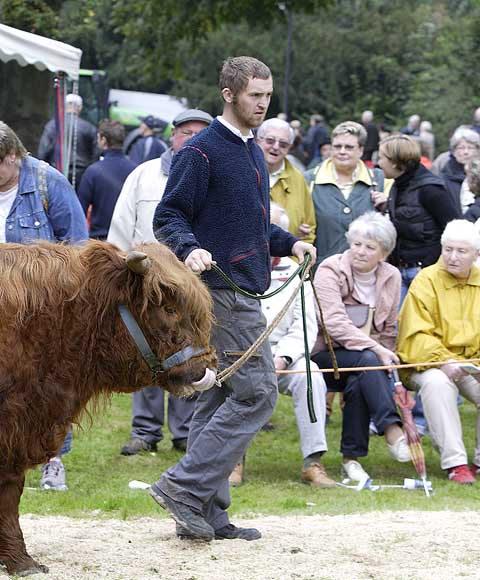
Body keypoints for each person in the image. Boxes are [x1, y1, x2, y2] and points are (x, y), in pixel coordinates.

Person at [150, 56, 316, 542]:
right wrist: (190, 248)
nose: (262, 104)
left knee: (217, 398)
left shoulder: (249, 150)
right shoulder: (201, 151)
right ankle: (183, 487)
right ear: (229, 93)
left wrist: (289, 244)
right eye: (254, 96)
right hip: (218, 294)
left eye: (267, 96)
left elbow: (252, 226)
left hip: (241, 289)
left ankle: (204, 514)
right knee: (260, 392)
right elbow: (169, 216)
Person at [0, 117, 87, 490]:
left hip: (38, 306)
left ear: (13, 155)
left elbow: (77, 246)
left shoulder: (48, 183)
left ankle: (53, 458)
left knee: (47, 383)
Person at [108, 108, 212, 456]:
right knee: (147, 352)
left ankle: (184, 431)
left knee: (188, 352)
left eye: (201, 133)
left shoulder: (212, 177)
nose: (192, 139)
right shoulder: (144, 175)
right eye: (186, 132)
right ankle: (145, 431)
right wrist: (120, 268)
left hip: (193, 284)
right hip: (147, 285)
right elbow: (123, 224)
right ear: (172, 135)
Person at [310, 212, 411, 485]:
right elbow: (333, 324)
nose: (361, 252)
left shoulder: (391, 276)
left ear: (384, 253)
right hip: (326, 355)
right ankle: (391, 428)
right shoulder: (330, 269)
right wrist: (378, 351)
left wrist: (385, 354)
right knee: (368, 359)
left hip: (367, 365)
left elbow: (389, 329)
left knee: (361, 377)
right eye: (356, 244)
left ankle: (350, 461)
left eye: (370, 247)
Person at [397, 220, 480, 484]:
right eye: (448, 249)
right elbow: (415, 333)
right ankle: (456, 463)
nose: (452, 257)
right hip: (428, 364)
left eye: (461, 251)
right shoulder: (426, 280)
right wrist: (444, 360)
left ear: (476, 255)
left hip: (472, 363)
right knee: (437, 384)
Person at [256, 206, 332, 487]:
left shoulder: (298, 273)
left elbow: (305, 326)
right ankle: (231, 463)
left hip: (287, 354)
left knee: (309, 374)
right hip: (245, 353)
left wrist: (283, 358)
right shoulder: (236, 268)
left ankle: (313, 462)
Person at [372, 134, 460, 300]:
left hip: (425, 271)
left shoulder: (431, 189)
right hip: (400, 269)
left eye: (382, 158)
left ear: (396, 161)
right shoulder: (398, 185)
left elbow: (454, 229)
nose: (379, 163)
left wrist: (427, 266)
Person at [305, 120, 388, 264]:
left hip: (365, 272)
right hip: (321, 270)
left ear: (361, 150)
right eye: (337, 146)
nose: (342, 151)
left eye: (349, 147)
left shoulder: (379, 179)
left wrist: (388, 207)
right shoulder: (309, 180)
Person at [256, 117, 315, 241]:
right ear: (258, 141)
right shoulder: (241, 171)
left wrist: (298, 259)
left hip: (289, 258)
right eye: (270, 141)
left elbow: (309, 228)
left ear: (289, 148)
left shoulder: (298, 178)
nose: (276, 147)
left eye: (283, 144)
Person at [76, 119, 136, 241]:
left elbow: (80, 212)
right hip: (128, 243)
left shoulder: (93, 171)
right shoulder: (136, 171)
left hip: (99, 243)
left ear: (103, 140)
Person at [37, 93, 98, 188]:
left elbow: (43, 152)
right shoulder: (89, 128)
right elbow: (96, 154)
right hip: (81, 175)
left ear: (64, 107)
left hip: (56, 171)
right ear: (80, 108)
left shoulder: (52, 126)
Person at [437, 126, 480, 213]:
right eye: (461, 148)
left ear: (478, 151)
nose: (466, 152)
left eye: (470, 148)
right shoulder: (444, 178)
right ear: (453, 151)